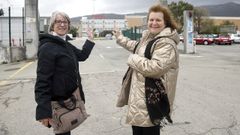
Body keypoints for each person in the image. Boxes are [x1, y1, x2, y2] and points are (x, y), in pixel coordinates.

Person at [113, 4, 179, 135]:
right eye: (151, 19)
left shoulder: (166, 43)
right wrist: (120, 38)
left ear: (166, 22)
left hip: (150, 101)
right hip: (140, 99)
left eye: (158, 20)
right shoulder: (149, 38)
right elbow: (136, 46)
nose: (154, 23)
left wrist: (132, 59)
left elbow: (155, 68)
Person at [35, 11, 95, 135]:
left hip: (70, 99)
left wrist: (90, 39)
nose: (62, 24)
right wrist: (43, 111)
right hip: (58, 103)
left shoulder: (65, 44)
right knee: (62, 131)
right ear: (52, 25)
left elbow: (82, 56)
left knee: (67, 129)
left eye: (65, 21)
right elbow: (42, 80)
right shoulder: (47, 47)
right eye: (58, 21)